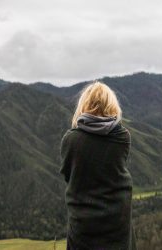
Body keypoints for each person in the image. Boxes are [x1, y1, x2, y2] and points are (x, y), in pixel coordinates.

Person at [59, 81, 137, 250]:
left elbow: (68, 174)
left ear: (84, 104)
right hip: (117, 219)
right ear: (112, 105)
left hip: (82, 223)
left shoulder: (71, 139)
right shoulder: (123, 137)